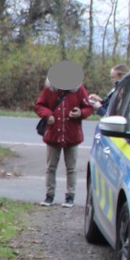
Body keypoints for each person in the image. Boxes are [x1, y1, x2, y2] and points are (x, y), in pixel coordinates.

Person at [34, 76, 93, 207]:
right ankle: (49, 196)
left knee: (71, 168)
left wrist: (80, 113)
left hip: (72, 135)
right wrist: (47, 115)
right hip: (53, 135)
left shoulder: (79, 90)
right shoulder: (49, 90)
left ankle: (70, 196)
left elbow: (88, 107)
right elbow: (39, 105)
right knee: (51, 167)